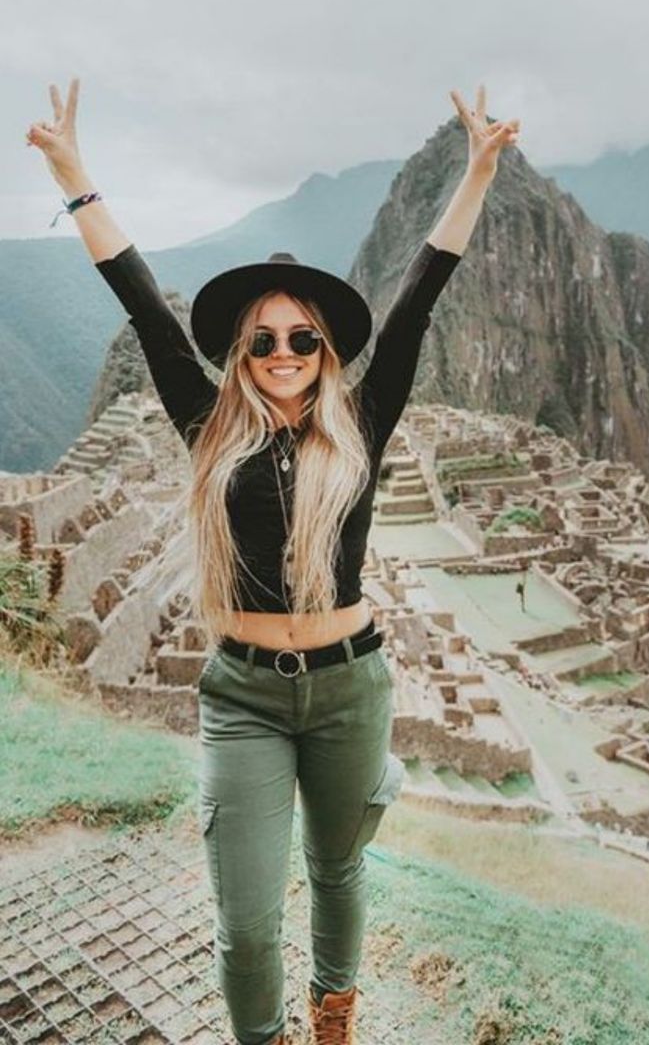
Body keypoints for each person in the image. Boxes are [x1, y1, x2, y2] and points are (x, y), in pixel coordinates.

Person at [27, 78, 519, 1045]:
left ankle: (333, 1017)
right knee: (246, 920)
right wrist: (76, 178)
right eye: (265, 338)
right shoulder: (208, 426)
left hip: (348, 687)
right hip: (244, 694)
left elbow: (420, 295)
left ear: (324, 347)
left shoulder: (365, 424)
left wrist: (478, 174)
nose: (284, 349)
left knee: (339, 873)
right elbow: (141, 305)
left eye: (302, 337)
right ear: (242, 350)